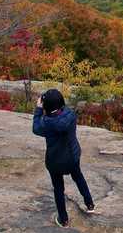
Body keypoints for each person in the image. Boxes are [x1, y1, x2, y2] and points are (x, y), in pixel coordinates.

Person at [33, 89, 95, 228]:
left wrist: (38, 109)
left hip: (55, 161)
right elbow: (61, 109)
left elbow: (35, 128)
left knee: (58, 189)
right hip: (73, 156)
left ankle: (64, 219)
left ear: (46, 106)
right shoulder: (70, 114)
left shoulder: (47, 123)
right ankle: (89, 204)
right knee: (79, 178)